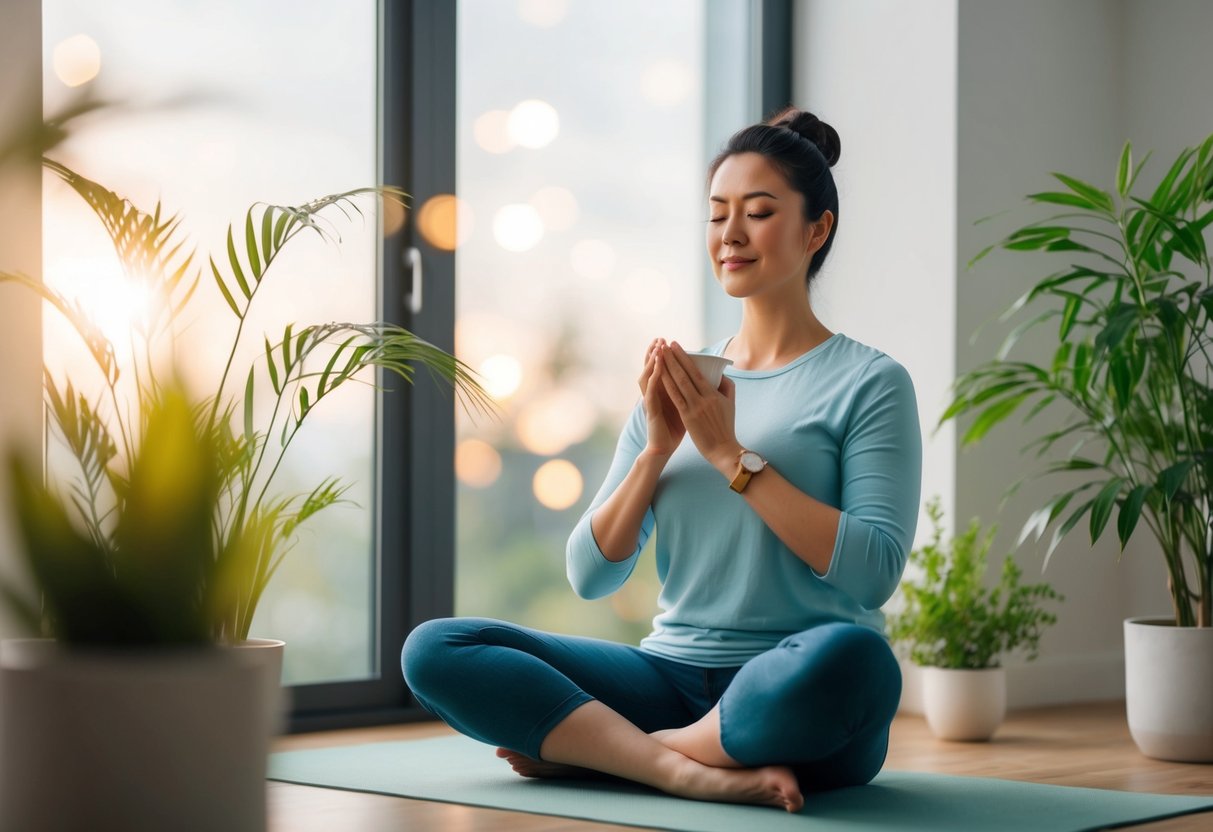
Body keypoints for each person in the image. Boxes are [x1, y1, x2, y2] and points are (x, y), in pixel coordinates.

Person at [402, 106, 922, 813]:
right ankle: (681, 766)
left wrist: (731, 457)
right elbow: (590, 574)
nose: (730, 235)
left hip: (793, 685)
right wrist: (656, 449)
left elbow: (871, 575)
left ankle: (620, 754)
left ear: (816, 229)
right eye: (717, 215)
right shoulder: (687, 380)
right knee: (436, 648)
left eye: (758, 212)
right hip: (668, 674)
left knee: (857, 664)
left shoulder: (869, 381)